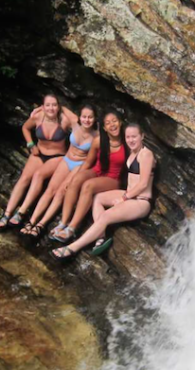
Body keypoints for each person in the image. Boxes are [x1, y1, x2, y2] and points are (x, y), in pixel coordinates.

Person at [52, 123, 154, 259]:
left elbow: (143, 184)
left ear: (142, 136)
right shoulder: (132, 152)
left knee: (106, 216)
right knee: (98, 198)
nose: (131, 140)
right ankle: (101, 237)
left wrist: (124, 198)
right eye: (128, 137)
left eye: (134, 136)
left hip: (140, 201)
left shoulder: (146, 154)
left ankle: (72, 248)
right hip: (129, 195)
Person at [20, 103, 98, 237]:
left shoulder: (97, 135)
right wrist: (39, 108)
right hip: (66, 160)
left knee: (61, 191)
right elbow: (58, 105)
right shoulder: (74, 122)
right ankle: (31, 220)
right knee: (50, 189)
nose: (87, 120)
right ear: (80, 116)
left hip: (80, 164)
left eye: (90, 117)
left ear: (95, 119)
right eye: (84, 117)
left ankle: (41, 224)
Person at [48, 110, 127, 242]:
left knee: (88, 185)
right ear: (104, 128)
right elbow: (88, 162)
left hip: (113, 178)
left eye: (115, 121)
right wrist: (74, 178)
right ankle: (63, 222)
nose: (112, 125)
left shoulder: (127, 142)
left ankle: (72, 228)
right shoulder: (98, 141)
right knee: (77, 180)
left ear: (120, 123)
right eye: (108, 123)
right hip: (97, 171)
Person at [0, 94, 70, 228]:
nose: (51, 108)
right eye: (48, 105)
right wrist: (30, 144)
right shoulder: (38, 116)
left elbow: (80, 125)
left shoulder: (64, 120)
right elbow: (25, 128)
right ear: (43, 106)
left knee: (38, 175)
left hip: (57, 156)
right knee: (24, 178)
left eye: (54, 105)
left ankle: (22, 212)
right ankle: (7, 213)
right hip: (38, 152)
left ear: (58, 107)